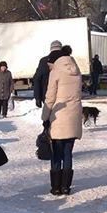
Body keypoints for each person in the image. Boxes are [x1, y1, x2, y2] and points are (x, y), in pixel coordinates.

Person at [42, 45, 83, 195]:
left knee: (56, 153)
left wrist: (44, 117)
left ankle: (56, 187)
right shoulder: (76, 70)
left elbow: (50, 98)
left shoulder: (56, 72)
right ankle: (66, 187)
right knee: (67, 153)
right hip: (74, 116)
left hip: (59, 118)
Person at [33, 40, 62, 107]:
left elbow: (37, 79)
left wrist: (38, 98)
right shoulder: (67, 60)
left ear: (51, 49)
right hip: (64, 97)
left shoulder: (44, 61)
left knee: (51, 116)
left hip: (48, 96)